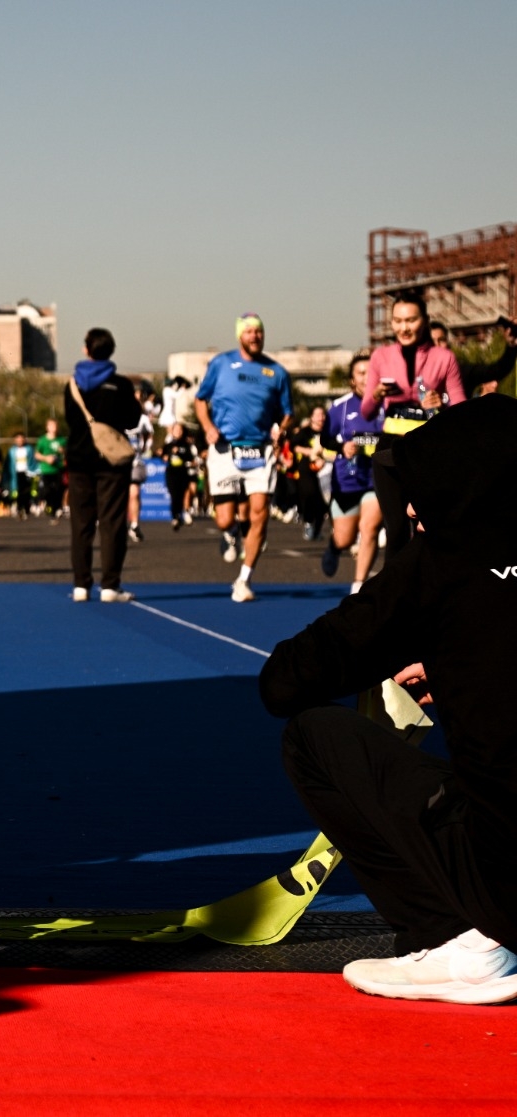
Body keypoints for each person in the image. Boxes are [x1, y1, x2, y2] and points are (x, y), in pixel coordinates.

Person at [261, 394, 517, 1006]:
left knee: (313, 737)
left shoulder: (444, 558)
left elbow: (286, 681)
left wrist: (431, 640)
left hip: (506, 880)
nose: (410, 507)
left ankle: (459, 940)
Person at [194, 313, 293, 603]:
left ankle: (244, 579)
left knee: (258, 512)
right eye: (248, 331)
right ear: (240, 335)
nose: (254, 336)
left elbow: (288, 412)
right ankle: (231, 533)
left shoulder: (276, 372)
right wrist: (208, 427)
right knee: (225, 519)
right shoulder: (221, 364)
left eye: (258, 331)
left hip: (260, 450)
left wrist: (281, 429)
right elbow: (200, 399)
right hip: (225, 448)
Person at [360, 292, 465, 559]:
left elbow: (462, 410)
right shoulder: (380, 356)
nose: (404, 328)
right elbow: (367, 412)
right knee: (396, 528)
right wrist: (376, 395)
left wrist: (441, 402)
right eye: (397, 321)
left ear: (425, 321)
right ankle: (394, 583)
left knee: (426, 526)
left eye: (411, 320)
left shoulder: (444, 358)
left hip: (426, 449)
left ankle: (427, 579)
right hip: (389, 448)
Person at [64, 327, 141, 603]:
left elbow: (70, 419)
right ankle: (110, 585)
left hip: (79, 459)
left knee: (81, 524)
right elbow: (132, 421)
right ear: (111, 351)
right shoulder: (121, 384)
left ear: (87, 349)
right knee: (112, 523)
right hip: (111, 462)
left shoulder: (72, 384)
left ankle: (81, 585)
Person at [319, 353, 384, 594]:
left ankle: (358, 586)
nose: (367, 378)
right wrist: (341, 447)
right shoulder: (340, 407)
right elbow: (324, 439)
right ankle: (334, 546)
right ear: (352, 380)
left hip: (376, 480)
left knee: (369, 528)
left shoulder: (388, 405)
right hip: (346, 482)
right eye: (361, 373)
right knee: (345, 538)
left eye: (371, 372)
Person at [291, 405, 330, 541]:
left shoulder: (329, 431)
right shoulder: (304, 432)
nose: (321, 418)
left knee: (325, 502)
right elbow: (294, 446)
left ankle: (317, 530)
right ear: (311, 417)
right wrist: (309, 452)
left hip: (327, 468)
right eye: (317, 415)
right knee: (309, 494)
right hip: (308, 469)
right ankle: (308, 522)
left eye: (323, 415)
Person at [124, 388, 153, 542]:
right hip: (119, 461)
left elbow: (149, 435)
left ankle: (134, 525)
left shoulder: (143, 419)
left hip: (135, 461)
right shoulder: (118, 415)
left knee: (134, 493)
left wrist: (143, 447)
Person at [161, 422, 197, 530]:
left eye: (180, 430)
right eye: (176, 430)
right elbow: (163, 455)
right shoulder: (168, 445)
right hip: (171, 473)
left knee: (183, 494)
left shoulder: (186, 445)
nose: (178, 432)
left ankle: (183, 513)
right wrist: (165, 456)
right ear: (172, 431)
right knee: (174, 495)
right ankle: (175, 516)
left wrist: (180, 453)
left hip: (183, 473)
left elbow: (191, 458)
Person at [33, 418, 66, 519]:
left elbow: (68, 453)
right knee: (46, 490)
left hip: (58, 469)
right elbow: (37, 455)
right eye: (51, 425)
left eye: (55, 425)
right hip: (46, 470)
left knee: (58, 490)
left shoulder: (62, 440)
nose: (54, 428)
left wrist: (63, 451)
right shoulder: (42, 440)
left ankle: (57, 508)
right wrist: (46, 458)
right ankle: (47, 505)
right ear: (47, 427)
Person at [7, 432, 34, 517]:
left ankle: (27, 508)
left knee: (27, 491)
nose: (20, 441)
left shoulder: (29, 449)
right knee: (18, 491)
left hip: (27, 473)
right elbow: (9, 463)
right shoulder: (12, 451)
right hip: (16, 474)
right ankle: (19, 508)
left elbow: (33, 461)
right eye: (18, 439)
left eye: (21, 439)